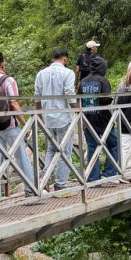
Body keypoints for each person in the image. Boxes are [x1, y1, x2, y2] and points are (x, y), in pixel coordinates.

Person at [0, 52, 34, 204]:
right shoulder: (8, 80)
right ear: (3, 64)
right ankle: (31, 191)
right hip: (9, 126)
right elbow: (14, 104)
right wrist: (24, 123)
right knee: (21, 157)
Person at [35, 49, 78, 190]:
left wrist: (40, 116)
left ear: (53, 58)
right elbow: (69, 93)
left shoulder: (41, 74)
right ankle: (60, 184)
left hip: (48, 118)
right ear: (64, 59)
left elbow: (37, 96)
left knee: (50, 150)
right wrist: (77, 110)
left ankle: (44, 181)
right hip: (63, 118)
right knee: (64, 152)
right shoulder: (68, 73)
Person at [79, 56, 119, 181]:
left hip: (88, 118)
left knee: (92, 148)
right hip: (103, 119)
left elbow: (79, 99)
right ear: (103, 67)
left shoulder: (83, 81)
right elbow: (106, 98)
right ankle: (109, 172)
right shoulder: (103, 81)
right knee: (114, 144)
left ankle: (93, 176)